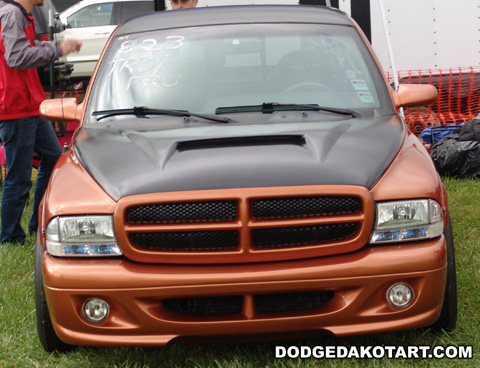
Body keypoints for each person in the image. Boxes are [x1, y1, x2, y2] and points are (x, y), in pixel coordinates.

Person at [0, 0, 82, 245]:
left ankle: (38, 224)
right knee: (19, 176)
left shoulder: (20, 14)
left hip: (30, 106)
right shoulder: (12, 14)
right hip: (16, 109)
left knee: (54, 159)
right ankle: (10, 238)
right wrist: (58, 49)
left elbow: (27, 47)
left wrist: (57, 46)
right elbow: (17, 56)